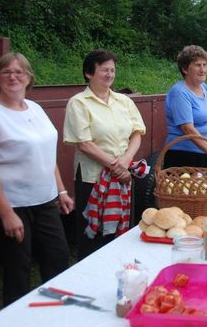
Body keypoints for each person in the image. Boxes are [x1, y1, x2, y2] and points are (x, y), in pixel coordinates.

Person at [0, 53, 74, 305]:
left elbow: (46, 154)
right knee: (18, 270)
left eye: (18, 72)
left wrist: (61, 191)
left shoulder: (35, 108)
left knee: (57, 259)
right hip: (13, 204)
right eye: (6, 72)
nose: (13, 77)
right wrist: (5, 214)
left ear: (29, 77)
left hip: (46, 201)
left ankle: (56, 315)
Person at [63, 49, 146, 260]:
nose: (109, 74)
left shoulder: (124, 101)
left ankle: (117, 268)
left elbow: (137, 133)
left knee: (120, 228)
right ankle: (90, 275)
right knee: (93, 233)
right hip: (93, 178)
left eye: (112, 70)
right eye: (104, 70)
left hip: (122, 176)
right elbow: (84, 143)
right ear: (89, 73)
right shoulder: (79, 102)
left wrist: (126, 161)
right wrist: (116, 166)